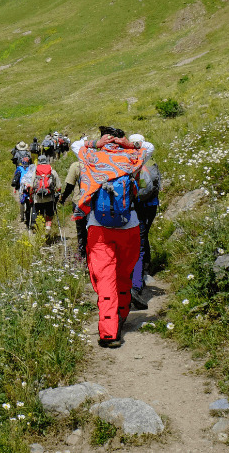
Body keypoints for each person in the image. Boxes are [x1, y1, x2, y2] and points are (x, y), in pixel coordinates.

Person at [71, 127, 147, 348]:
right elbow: (148, 147)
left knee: (105, 279)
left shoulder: (92, 156)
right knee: (124, 275)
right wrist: (128, 144)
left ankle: (108, 332)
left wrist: (96, 143)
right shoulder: (133, 157)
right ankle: (121, 316)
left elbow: (77, 145)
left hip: (99, 226)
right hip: (130, 224)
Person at [129, 133, 160, 310]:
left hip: (134, 207)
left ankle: (135, 282)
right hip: (150, 205)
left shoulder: (127, 160)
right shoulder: (146, 158)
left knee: (136, 244)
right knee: (142, 240)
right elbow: (149, 146)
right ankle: (139, 280)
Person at [59, 142, 89, 259]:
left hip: (79, 202)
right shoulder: (96, 164)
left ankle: (82, 254)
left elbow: (69, 186)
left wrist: (63, 199)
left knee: (81, 230)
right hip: (95, 202)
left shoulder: (76, 166)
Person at [27, 155, 59, 235]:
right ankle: (48, 228)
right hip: (49, 198)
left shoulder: (36, 172)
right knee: (49, 215)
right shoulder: (52, 171)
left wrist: (31, 198)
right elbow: (59, 186)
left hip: (38, 198)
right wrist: (57, 195)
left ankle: (41, 233)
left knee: (40, 215)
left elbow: (31, 187)